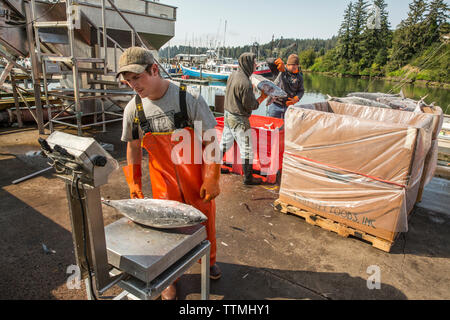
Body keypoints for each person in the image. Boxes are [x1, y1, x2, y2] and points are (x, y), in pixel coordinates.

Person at [118, 47, 222, 300]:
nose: (133, 85)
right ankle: (169, 280)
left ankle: (208, 261)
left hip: (197, 179)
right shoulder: (134, 110)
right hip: (163, 184)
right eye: (127, 80)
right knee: (167, 233)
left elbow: (210, 140)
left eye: (137, 77)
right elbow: (132, 146)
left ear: (154, 69)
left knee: (205, 223)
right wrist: (134, 183)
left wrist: (212, 177)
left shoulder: (189, 98)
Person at [220, 52, 268, 186]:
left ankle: (213, 167)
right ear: (247, 63)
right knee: (247, 148)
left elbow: (237, 94)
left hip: (228, 114)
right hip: (239, 119)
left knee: (224, 143)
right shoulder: (245, 82)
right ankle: (248, 178)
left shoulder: (233, 74)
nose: (256, 65)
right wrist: (262, 97)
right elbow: (251, 105)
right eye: (254, 62)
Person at [267, 54, 305, 119]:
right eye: (293, 65)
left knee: (287, 127)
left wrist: (297, 98)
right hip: (275, 105)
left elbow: (301, 90)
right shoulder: (280, 70)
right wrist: (276, 61)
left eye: (296, 65)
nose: (295, 67)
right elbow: (268, 61)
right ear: (288, 65)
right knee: (272, 125)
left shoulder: (299, 77)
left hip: (289, 107)